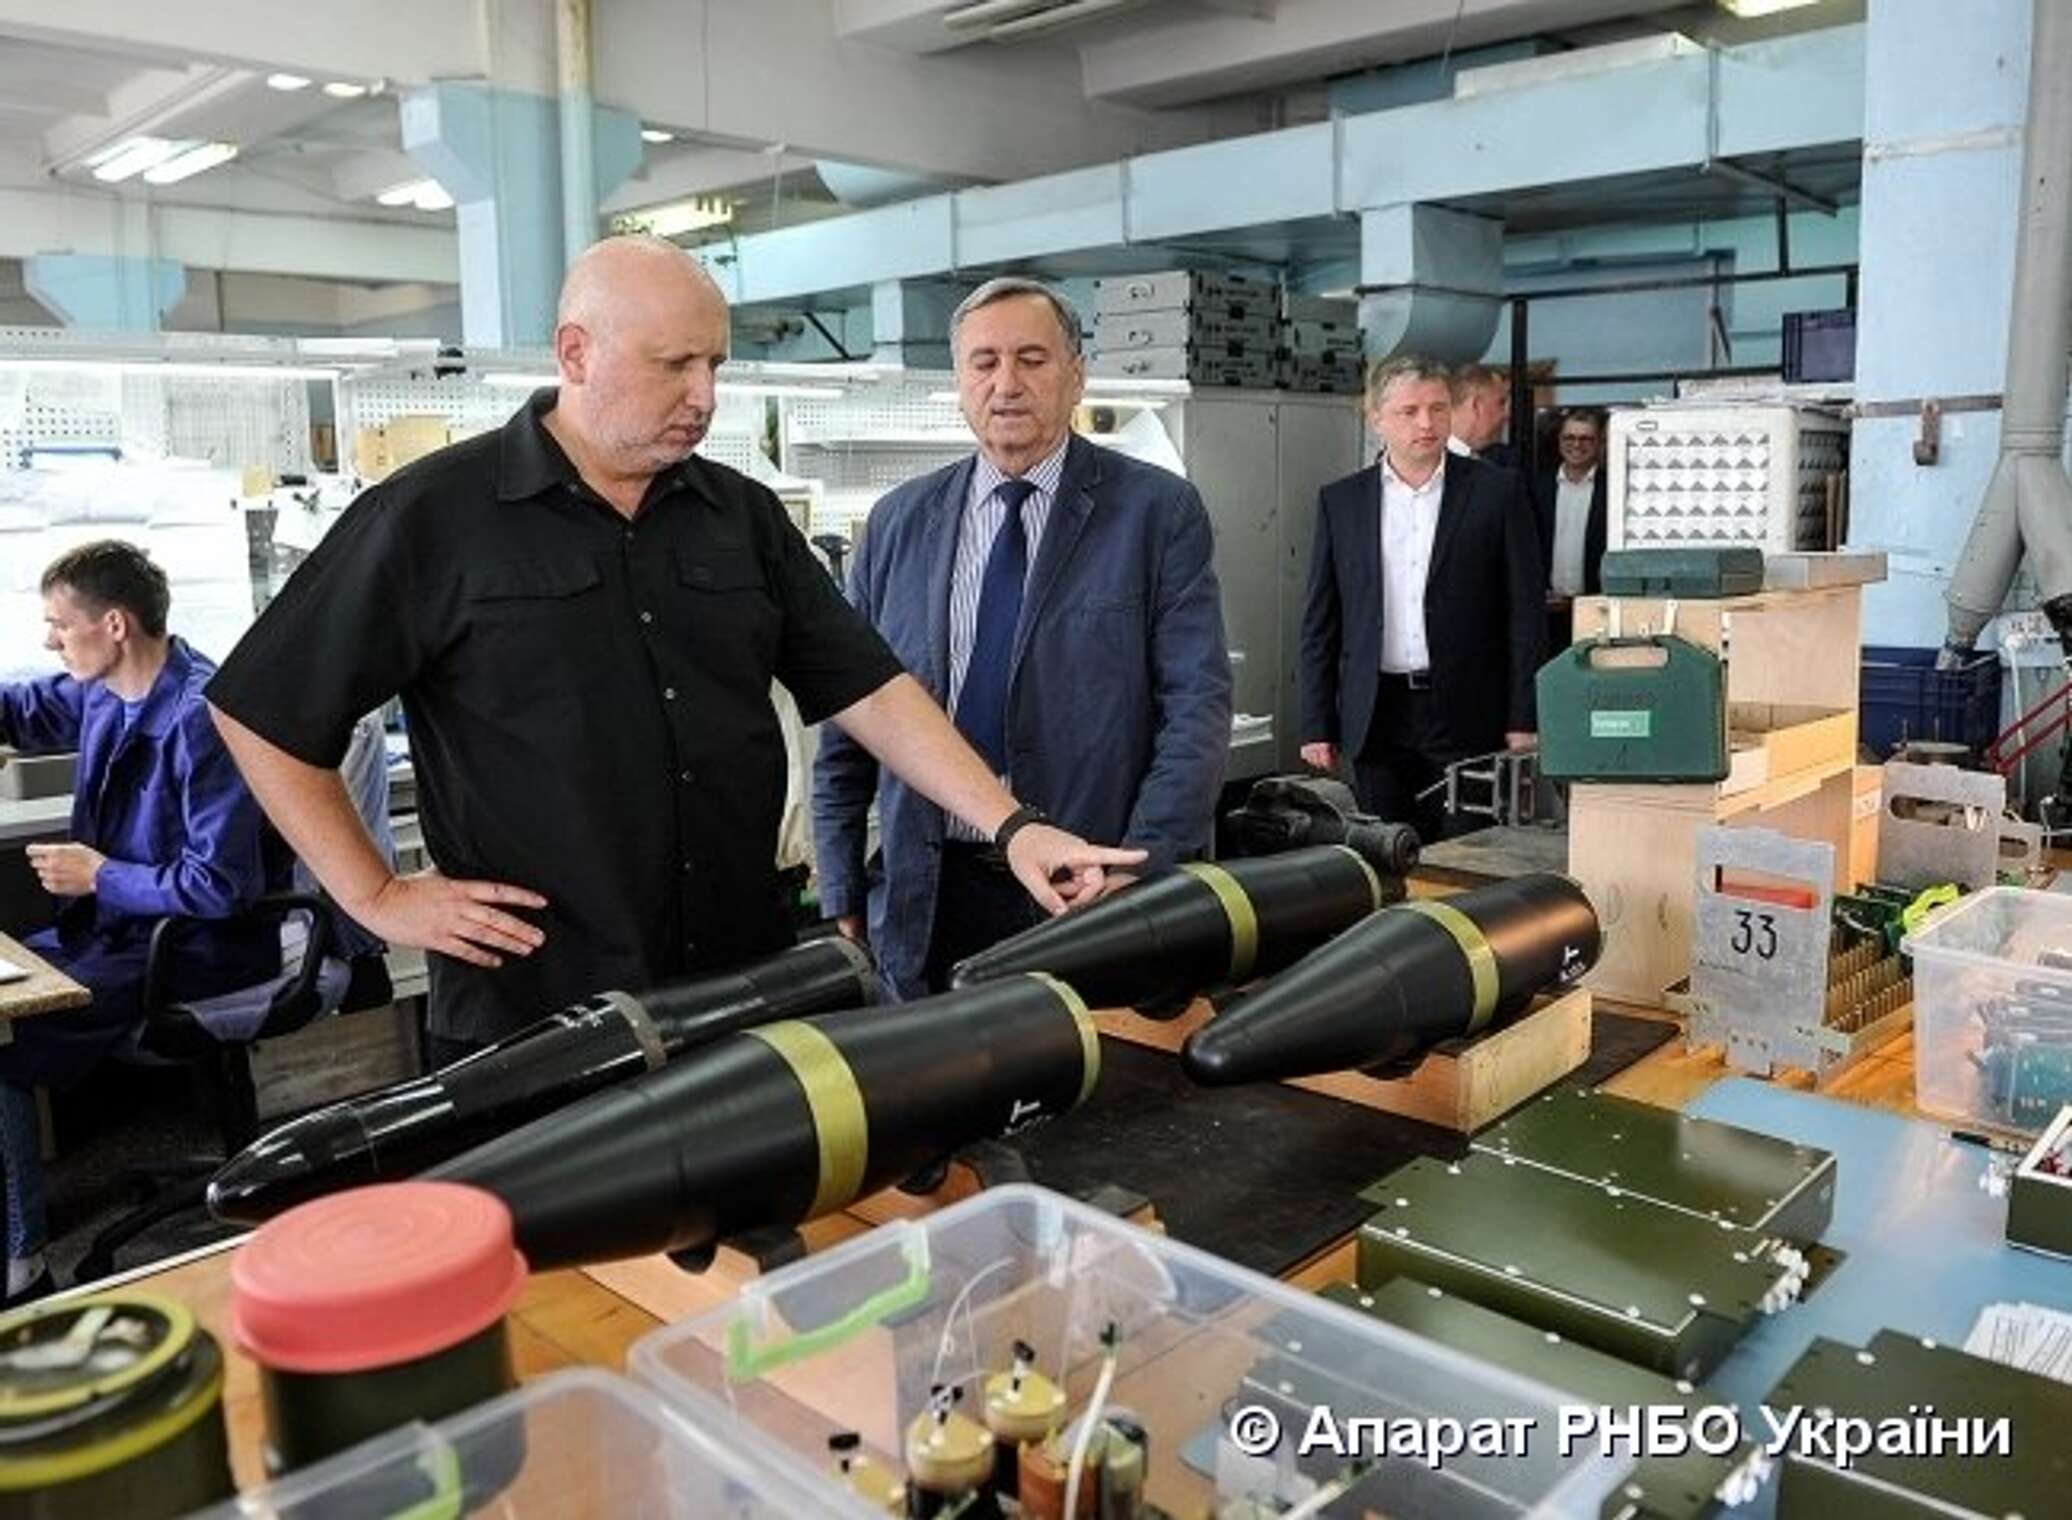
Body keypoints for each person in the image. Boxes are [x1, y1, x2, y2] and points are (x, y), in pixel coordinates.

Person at [206, 236, 1139, 1062]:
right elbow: (259, 709)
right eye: (674, 365)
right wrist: (372, 894)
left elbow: (872, 690)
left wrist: (1012, 825)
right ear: (576, 352)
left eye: (714, 364)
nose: (705, 397)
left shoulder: (741, 519)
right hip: (537, 1011)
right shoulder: (433, 518)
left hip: (739, 994)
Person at [812, 278, 1233, 998]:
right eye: (984, 362)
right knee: (932, 1065)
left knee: (1091, 1063)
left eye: (1032, 359)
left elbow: (1197, 707)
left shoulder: (1155, 512)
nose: (1006, 383)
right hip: (930, 888)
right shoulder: (897, 523)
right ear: (959, 381)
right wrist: (841, 880)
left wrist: (1141, 870)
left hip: (1084, 886)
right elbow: (853, 710)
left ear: (1076, 375)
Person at [0, 541, 281, 1306]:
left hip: (194, 946)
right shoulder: (102, 691)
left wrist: (99, 876)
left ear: (115, 625)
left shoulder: (202, 717)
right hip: (117, 933)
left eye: (60, 625)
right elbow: (22, 709)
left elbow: (221, 886)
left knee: (2, 1036)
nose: (50, 640)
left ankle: (22, 1265)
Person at [1297, 355, 1544, 842]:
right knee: (1385, 850)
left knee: (1464, 854)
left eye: (1438, 408)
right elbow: (1321, 621)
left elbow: (1525, 616)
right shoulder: (1342, 502)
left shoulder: (1497, 493)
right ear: (1376, 418)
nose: (1426, 423)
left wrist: (1524, 717)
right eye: (1409, 411)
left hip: (1467, 711)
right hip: (1377, 713)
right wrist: (1315, 722)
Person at [1532, 407, 1610, 652]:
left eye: (1586, 439)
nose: (1577, 445)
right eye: (1570, 437)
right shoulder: (1536, 488)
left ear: (1599, 444)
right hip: (1546, 612)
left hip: (1596, 611)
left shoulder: (1612, 489)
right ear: (1559, 441)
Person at [1447, 363, 1519, 468]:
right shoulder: (1431, 463)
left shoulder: (1498, 461)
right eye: (1501, 403)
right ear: (1475, 406)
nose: (1507, 415)